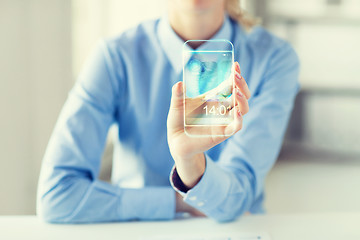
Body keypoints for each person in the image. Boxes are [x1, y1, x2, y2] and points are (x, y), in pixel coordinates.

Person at [37, 0, 299, 223]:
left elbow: (236, 199)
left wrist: (191, 163)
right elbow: (57, 197)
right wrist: (179, 202)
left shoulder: (274, 58)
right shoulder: (115, 57)